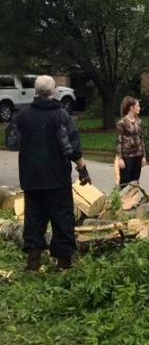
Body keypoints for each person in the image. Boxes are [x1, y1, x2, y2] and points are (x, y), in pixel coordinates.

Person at [4, 75, 91, 271]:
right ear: (53, 92)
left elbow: (11, 142)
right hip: (57, 179)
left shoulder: (22, 116)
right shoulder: (61, 116)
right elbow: (71, 148)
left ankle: (33, 261)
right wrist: (82, 168)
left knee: (34, 219)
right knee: (62, 219)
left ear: (36, 92)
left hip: (31, 178)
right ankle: (63, 263)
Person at [116, 96, 147, 186]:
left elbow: (142, 138)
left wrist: (143, 156)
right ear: (131, 107)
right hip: (126, 157)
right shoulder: (122, 123)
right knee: (125, 182)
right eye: (138, 106)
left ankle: (133, 199)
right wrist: (120, 158)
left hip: (138, 155)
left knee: (135, 182)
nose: (139, 108)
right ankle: (122, 199)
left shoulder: (139, 122)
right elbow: (119, 141)